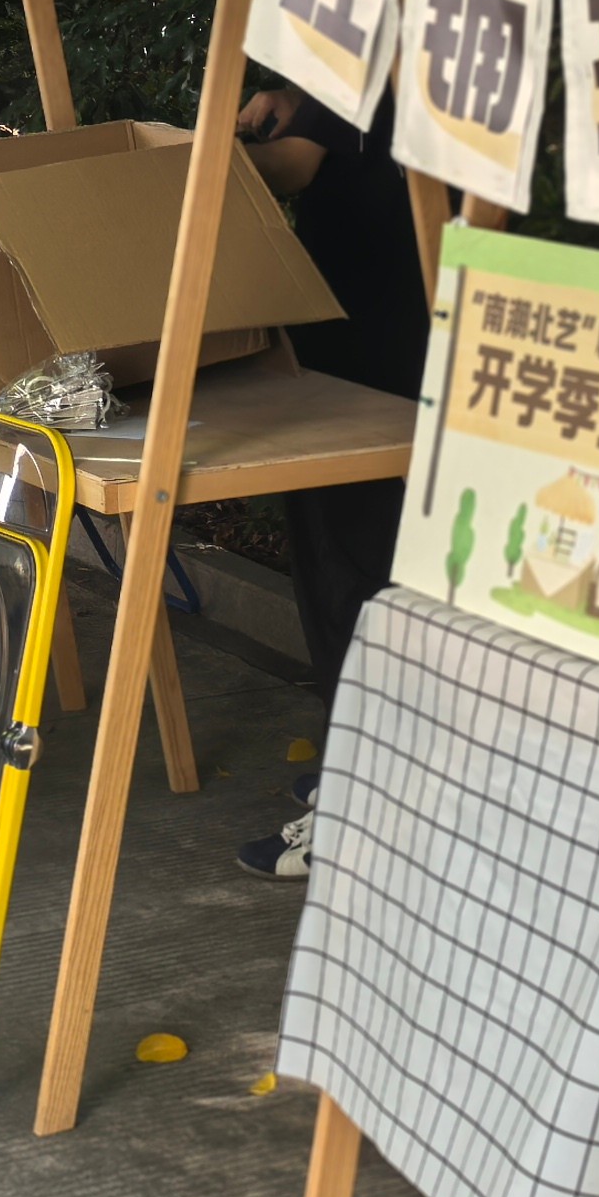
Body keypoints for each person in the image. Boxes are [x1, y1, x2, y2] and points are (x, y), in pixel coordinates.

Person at [232, 74, 431, 880]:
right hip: (378, 325)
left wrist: (197, 160)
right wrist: (290, 98)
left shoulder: (382, 36)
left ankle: (365, 800)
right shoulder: (379, 47)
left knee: (353, 566)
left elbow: (294, 165)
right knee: (350, 560)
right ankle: (363, 761)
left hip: (377, 338)